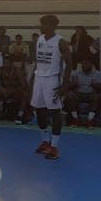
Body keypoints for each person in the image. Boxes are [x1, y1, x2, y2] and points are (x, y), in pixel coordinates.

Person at [31, 14, 73, 160]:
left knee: (55, 112)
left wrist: (65, 85)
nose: (40, 26)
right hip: (39, 78)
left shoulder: (61, 42)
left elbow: (70, 65)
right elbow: (38, 62)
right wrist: (32, 80)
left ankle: (54, 147)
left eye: (43, 24)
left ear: (52, 26)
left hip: (52, 79)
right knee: (39, 110)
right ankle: (45, 141)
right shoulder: (39, 39)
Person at [65, 59, 101, 128]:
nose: (85, 65)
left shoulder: (98, 74)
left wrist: (95, 85)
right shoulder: (75, 73)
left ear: (91, 65)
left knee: (97, 96)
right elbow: (69, 86)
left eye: (87, 63)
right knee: (69, 95)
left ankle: (90, 120)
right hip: (78, 93)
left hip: (91, 93)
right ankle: (75, 119)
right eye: (83, 64)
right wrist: (73, 84)